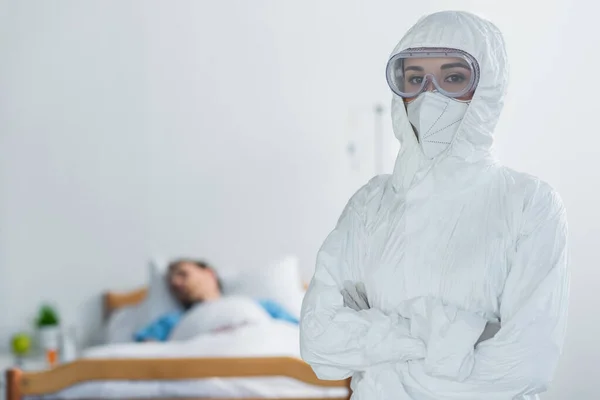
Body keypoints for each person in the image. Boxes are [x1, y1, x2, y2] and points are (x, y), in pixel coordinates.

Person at [299, 10, 569, 400]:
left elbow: (525, 366)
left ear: (488, 87)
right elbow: (319, 341)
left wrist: (385, 369)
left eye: (453, 78)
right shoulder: (370, 204)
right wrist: (455, 339)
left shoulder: (531, 203)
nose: (430, 95)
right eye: (415, 79)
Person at [134, 259, 298, 342]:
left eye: (183, 274)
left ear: (209, 273)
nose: (176, 283)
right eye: (172, 284)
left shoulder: (264, 307)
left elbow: (297, 336)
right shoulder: (170, 322)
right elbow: (145, 356)